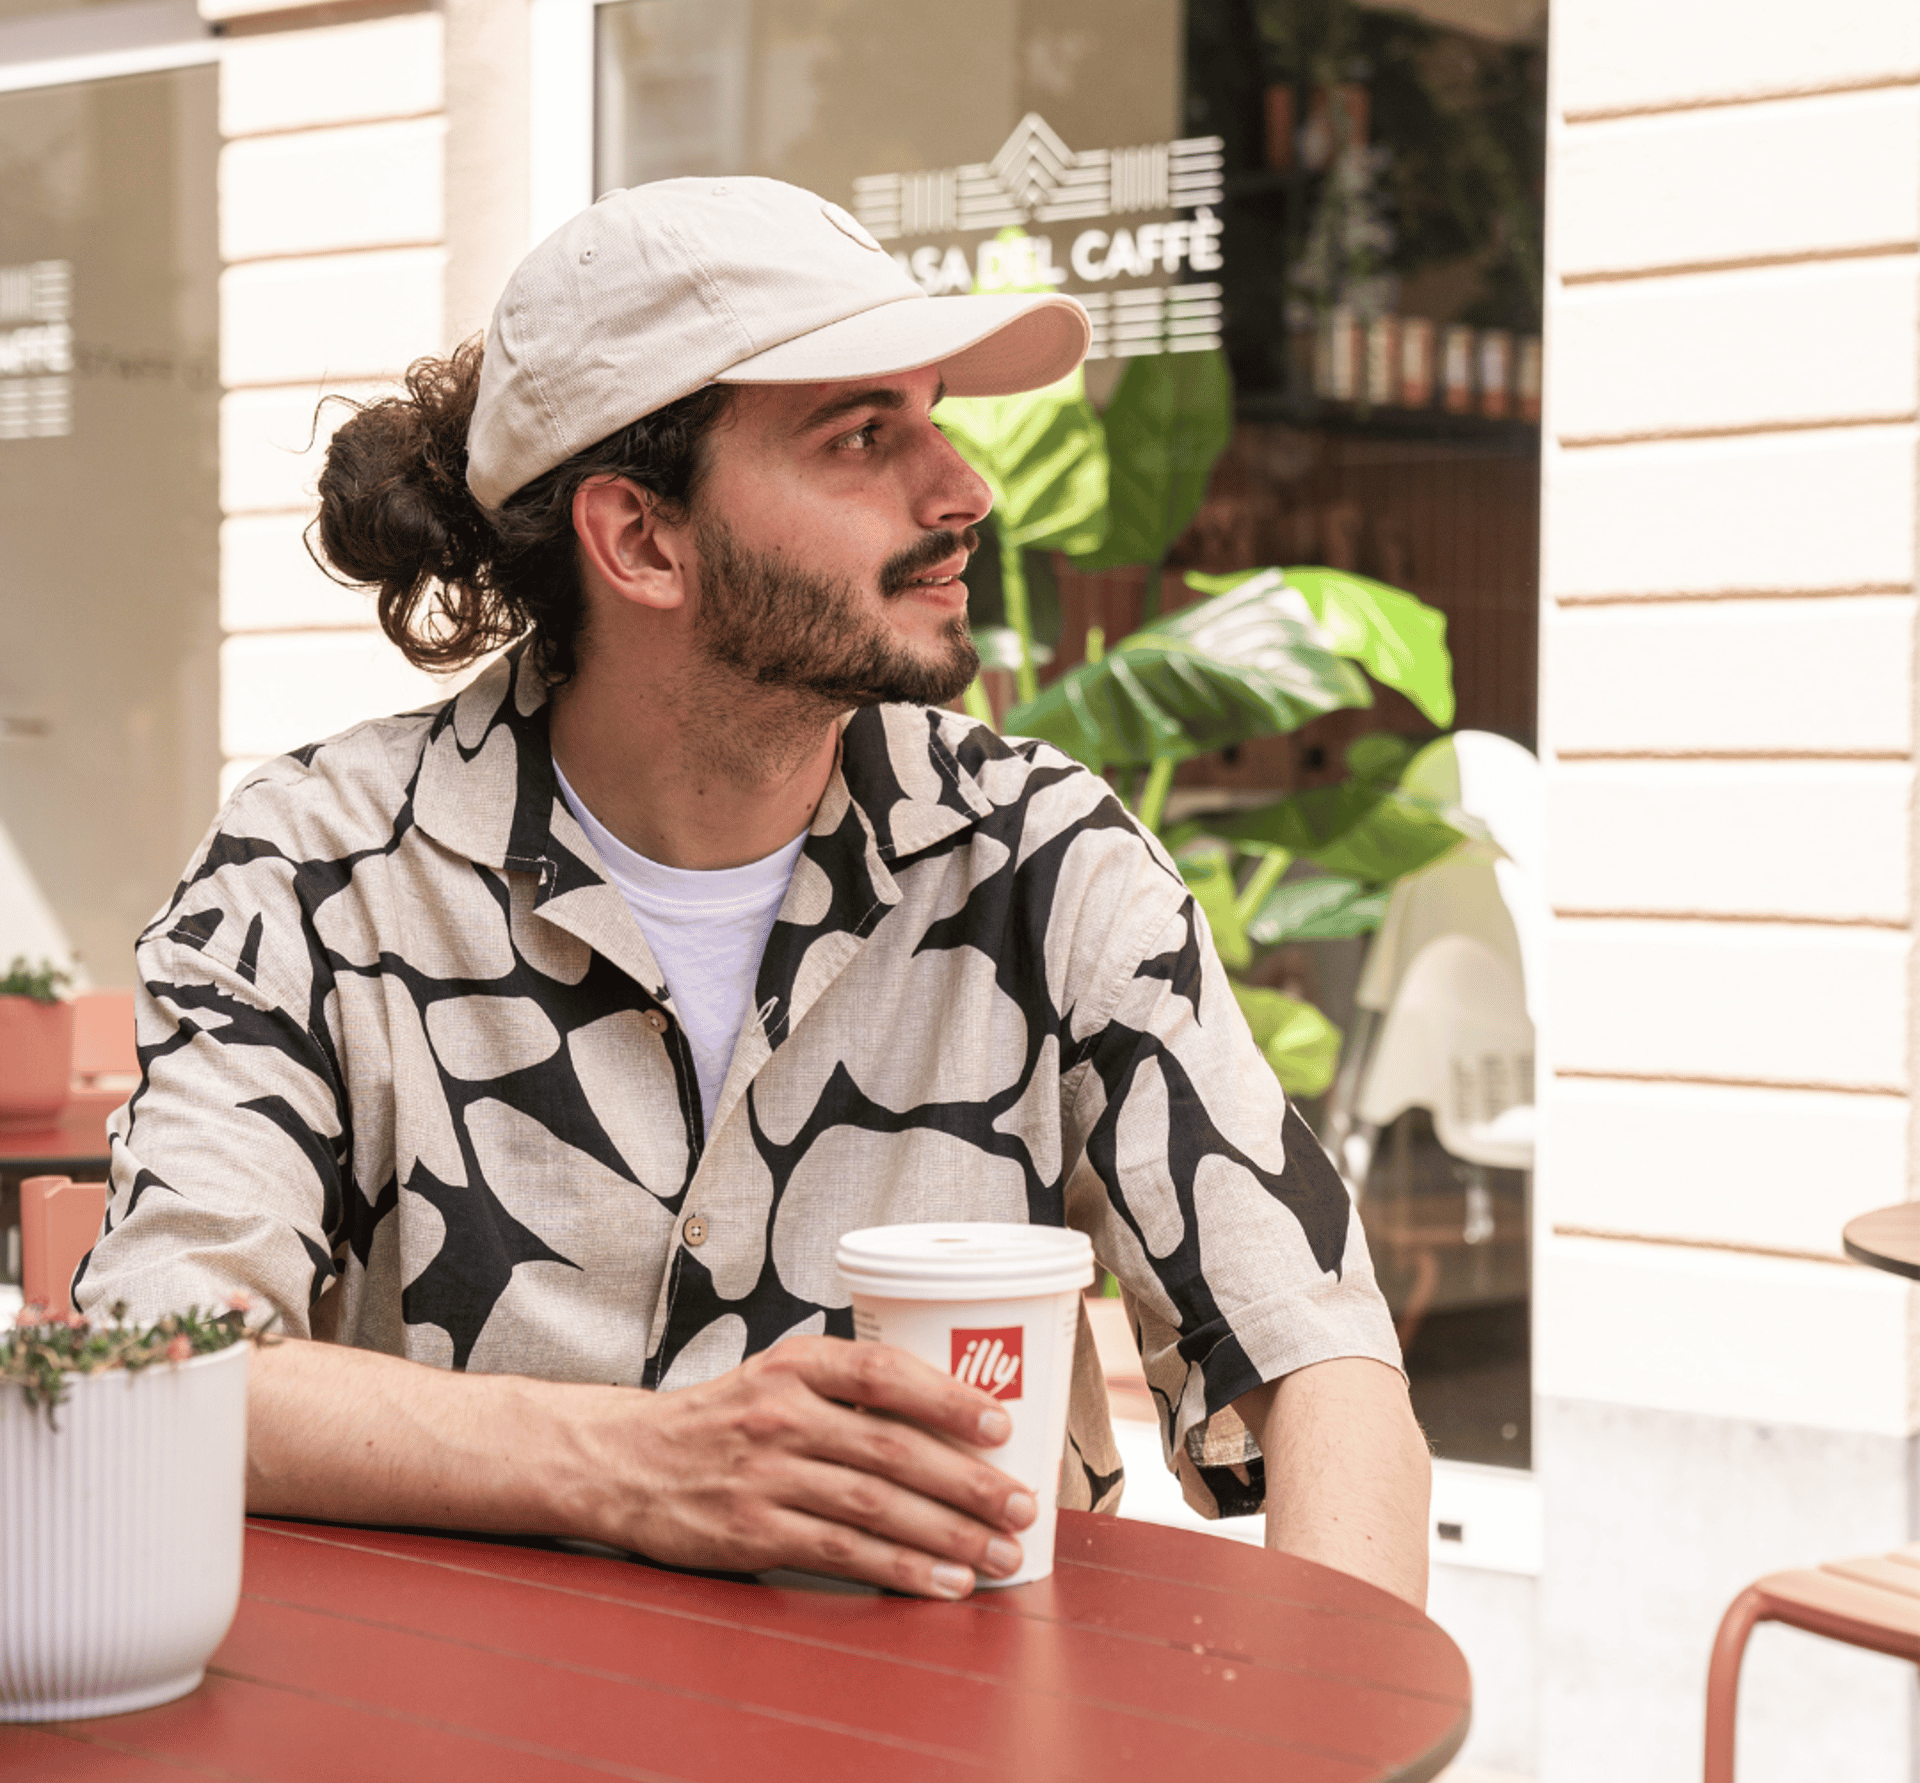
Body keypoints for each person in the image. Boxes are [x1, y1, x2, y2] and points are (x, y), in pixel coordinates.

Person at [77, 176, 1429, 1605]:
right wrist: (641, 1466)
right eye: (862, 435)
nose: (962, 489)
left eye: (935, 414)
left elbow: (1323, 1359)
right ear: (640, 540)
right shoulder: (317, 868)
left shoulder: (1040, 857)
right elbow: (159, 1370)